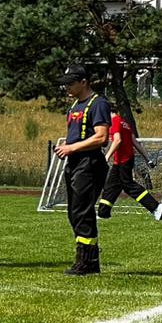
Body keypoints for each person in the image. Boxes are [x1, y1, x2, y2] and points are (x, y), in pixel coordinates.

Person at [54, 65, 112, 275]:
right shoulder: (75, 106)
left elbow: (102, 137)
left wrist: (72, 147)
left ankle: (86, 262)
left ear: (84, 82)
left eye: (70, 83)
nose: (66, 87)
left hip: (89, 163)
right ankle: (89, 259)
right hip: (75, 163)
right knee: (74, 212)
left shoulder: (98, 104)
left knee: (82, 212)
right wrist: (66, 147)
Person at [99, 105, 162, 222]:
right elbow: (135, 143)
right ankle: (103, 213)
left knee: (128, 185)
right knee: (111, 186)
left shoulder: (115, 121)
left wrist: (107, 156)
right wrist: (147, 159)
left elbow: (117, 140)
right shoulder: (125, 123)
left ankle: (155, 207)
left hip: (123, 160)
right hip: (124, 160)